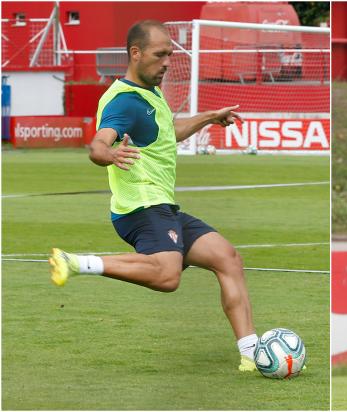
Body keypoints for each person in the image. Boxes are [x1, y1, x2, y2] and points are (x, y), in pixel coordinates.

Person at [49, 20, 259, 372]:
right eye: (160, 55)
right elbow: (98, 144)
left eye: (170, 55)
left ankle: (252, 354)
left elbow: (167, 133)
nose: (166, 63)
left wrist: (209, 117)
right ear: (135, 53)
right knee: (167, 276)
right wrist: (108, 153)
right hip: (140, 207)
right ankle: (75, 262)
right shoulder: (125, 101)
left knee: (227, 258)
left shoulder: (150, 92)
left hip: (162, 204)